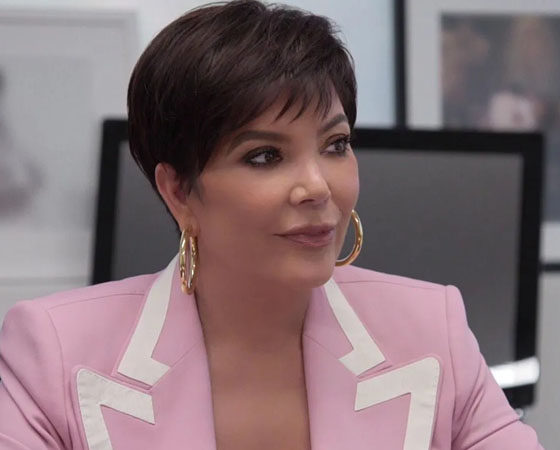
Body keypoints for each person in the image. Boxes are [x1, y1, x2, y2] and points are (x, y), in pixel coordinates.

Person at [0, 1, 543, 449]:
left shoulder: (431, 329)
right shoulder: (53, 352)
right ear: (179, 191)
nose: (317, 187)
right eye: (264, 156)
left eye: (336, 145)